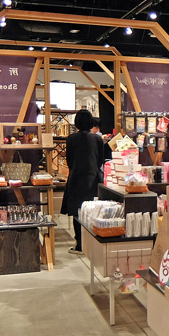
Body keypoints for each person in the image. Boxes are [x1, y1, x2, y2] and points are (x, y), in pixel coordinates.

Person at [60, 109, 104, 254]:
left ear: (76, 123)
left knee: (77, 211)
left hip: (76, 178)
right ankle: (93, 244)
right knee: (93, 212)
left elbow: (69, 161)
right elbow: (100, 160)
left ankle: (80, 244)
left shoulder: (71, 139)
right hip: (93, 179)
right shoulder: (97, 139)